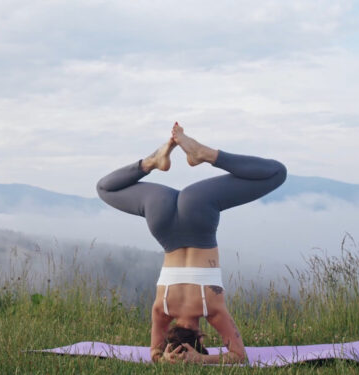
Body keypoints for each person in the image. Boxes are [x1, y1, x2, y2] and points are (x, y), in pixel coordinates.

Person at [96, 122, 287, 364]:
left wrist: (200, 360)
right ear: (169, 334)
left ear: (202, 339)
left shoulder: (213, 310)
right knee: (103, 188)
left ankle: (206, 154)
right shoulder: (161, 310)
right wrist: (162, 358)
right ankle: (151, 162)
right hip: (162, 217)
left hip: (198, 213)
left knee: (277, 172)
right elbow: (154, 355)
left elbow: (239, 357)